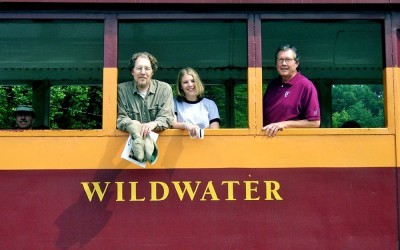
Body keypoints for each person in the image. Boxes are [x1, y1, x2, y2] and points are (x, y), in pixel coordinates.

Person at [117, 52, 174, 163]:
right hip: (125, 158)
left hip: (162, 155)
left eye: (147, 68)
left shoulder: (165, 89)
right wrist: (132, 125)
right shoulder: (121, 90)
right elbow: (121, 118)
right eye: (139, 68)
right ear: (132, 71)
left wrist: (153, 124)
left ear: (152, 72)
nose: (143, 72)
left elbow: (167, 118)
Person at [262, 44, 320, 137]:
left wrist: (283, 124)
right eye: (280, 60)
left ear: (297, 63)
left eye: (288, 60)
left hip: (292, 144)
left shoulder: (306, 86)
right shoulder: (272, 84)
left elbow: (315, 123)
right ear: (276, 63)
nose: (284, 63)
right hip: (266, 141)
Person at [172, 67, 220, 138]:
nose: (190, 85)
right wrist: (186, 126)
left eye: (193, 81)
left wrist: (199, 132)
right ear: (181, 86)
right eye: (185, 82)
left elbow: (214, 130)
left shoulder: (210, 104)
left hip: (206, 144)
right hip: (180, 145)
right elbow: (172, 124)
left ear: (197, 82)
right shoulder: (175, 103)